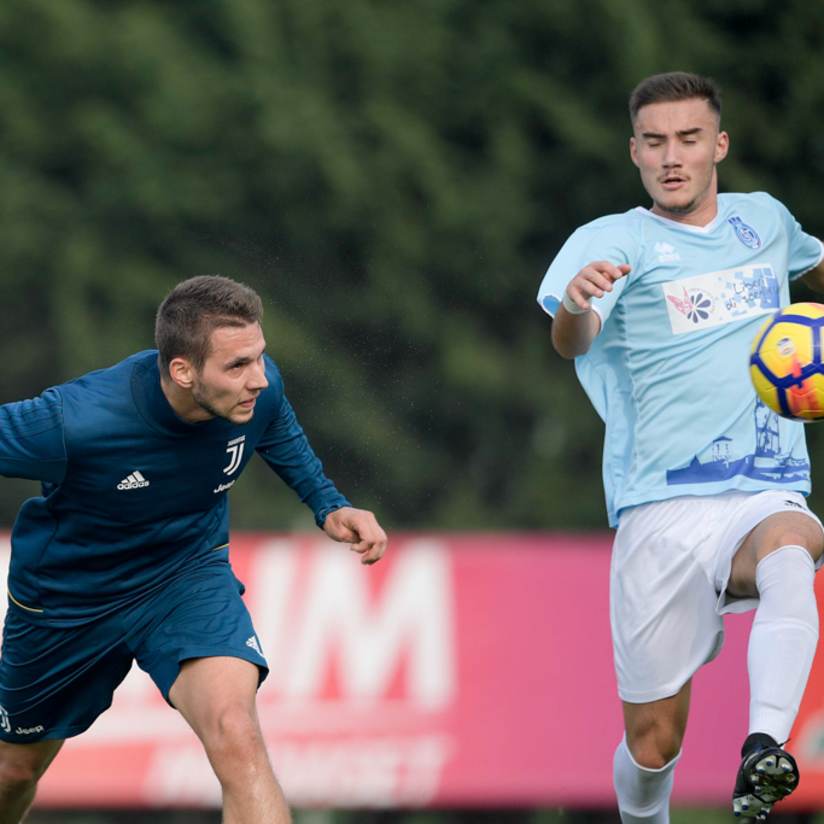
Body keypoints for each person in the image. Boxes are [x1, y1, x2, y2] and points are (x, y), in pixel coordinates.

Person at [537, 72, 824, 822]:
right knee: (653, 744)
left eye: (689, 139)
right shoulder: (611, 241)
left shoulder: (765, 221)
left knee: (793, 549)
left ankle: (764, 747)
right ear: (634, 151)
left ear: (718, 145)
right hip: (660, 509)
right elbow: (574, 342)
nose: (673, 156)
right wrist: (574, 303)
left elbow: (811, 269)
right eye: (656, 142)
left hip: (765, 485)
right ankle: (644, 815)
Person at [0, 275, 388, 823]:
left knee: (237, 735)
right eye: (237, 367)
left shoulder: (258, 389)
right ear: (183, 371)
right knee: (13, 773)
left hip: (186, 576)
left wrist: (328, 504)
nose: (258, 379)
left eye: (260, 357)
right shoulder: (78, 420)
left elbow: (275, 425)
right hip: (68, 601)